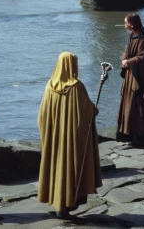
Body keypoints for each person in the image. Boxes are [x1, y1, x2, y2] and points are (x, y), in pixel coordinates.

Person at [38, 52, 102, 219]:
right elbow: (86, 113)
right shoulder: (76, 87)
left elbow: (42, 116)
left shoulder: (49, 86)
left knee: (56, 170)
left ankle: (59, 206)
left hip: (54, 139)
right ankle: (65, 207)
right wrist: (93, 110)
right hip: (72, 141)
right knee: (70, 170)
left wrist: (48, 135)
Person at [116, 13, 144, 147]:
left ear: (132, 24)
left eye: (126, 22)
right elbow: (126, 50)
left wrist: (128, 62)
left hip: (139, 80)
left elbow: (143, 58)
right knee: (128, 106)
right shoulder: (131, 37)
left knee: (138, 107)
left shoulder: (143, 40)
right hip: (130, 77)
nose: (124, 24)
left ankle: (141, 137)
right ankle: (128, 134)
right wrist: (124, 59)